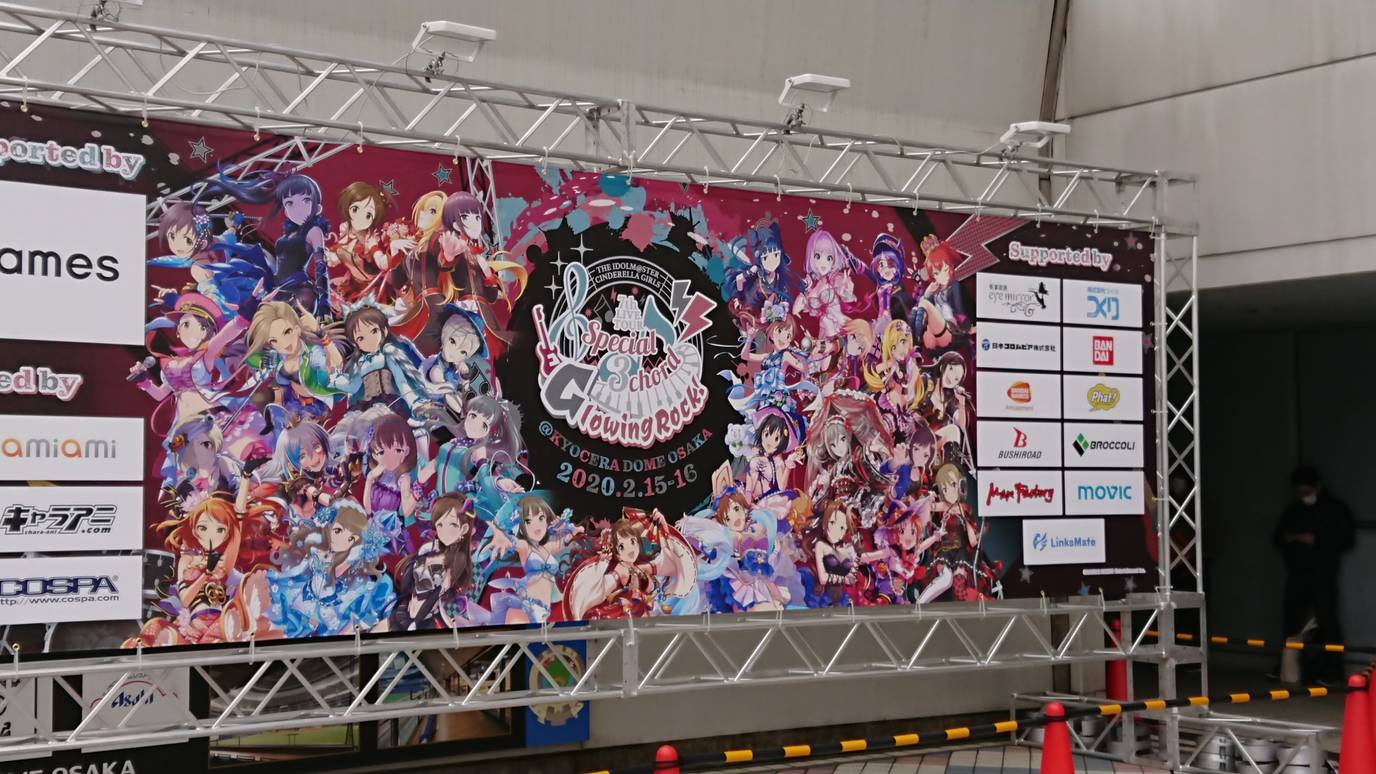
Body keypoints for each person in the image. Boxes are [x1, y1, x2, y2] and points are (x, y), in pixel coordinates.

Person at [1271, 466, 1354, 685]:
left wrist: (1317, 541)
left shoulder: (1334, 509)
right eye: (1300, 492)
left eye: (1307, 491)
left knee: (1327, 622)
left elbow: (1346, 539)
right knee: (1292, 622)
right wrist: (1292, 539)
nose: (1304, 496)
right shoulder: (1293, 510)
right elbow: (1277, 538)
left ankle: (1332, 672)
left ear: (1317, 486)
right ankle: (1287, 669)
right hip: (1297, 574)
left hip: (1323, 574)